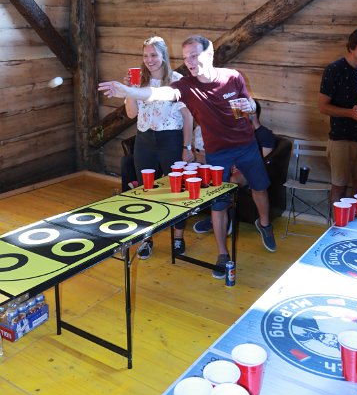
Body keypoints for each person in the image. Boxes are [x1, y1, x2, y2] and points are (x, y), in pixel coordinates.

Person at [99, 35, 276, 279]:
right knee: (218, 203)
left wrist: (250, 107)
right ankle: (222, 254)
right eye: (185, 58)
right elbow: (156, 94)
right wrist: (128, 90)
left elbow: (249, 103)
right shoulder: (186, 86)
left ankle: (264, 224)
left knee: (260, 188)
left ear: (209, 54)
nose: (190, 62)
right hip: (217, 151)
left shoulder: (232, 76)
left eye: (194, 55)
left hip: (245, 145)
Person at [124, 36, 194, 259]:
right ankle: (147, 239)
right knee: (146, 191)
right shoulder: (139, 80)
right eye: (145, 55)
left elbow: (188, 116)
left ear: (163, 55)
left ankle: (178, 238)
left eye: (153, 55)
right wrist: (130, 90)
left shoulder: (177, 80)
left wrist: (187, 146)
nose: (149, 60)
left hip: (171, 140)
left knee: (177, 191)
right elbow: (131, 114)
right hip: (144, 140)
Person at [318, 28, 357, 204]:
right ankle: (337, 221)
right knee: (339, 186)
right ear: (350, 48)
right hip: (341, 137)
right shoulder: (334, 69)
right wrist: (349, 113)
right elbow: (323, 107)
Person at [193, 99, 276, 234]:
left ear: (252, 113)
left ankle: (221, 219)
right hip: (234, 166)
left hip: (251, 170)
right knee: (217, 178)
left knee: (231, 181)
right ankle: (220, 217)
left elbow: (264, 161)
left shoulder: (264, 134)